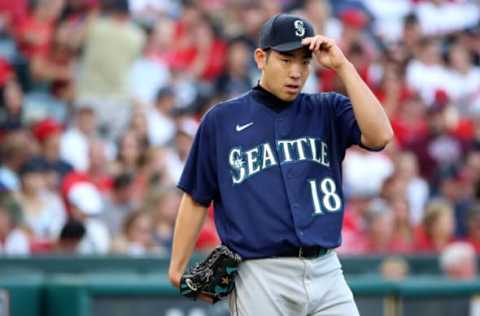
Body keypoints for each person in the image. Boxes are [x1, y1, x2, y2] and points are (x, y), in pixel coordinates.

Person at [168, 14, 393, 315]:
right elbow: (196, 197)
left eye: (304, 61)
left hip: (326, 267)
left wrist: (343, 66)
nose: (296, 71)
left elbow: (380, 136)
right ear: (261, 58)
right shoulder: (222, 120)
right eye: (286, 60)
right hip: (261, 273)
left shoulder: (328, 108)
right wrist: (177, 266)